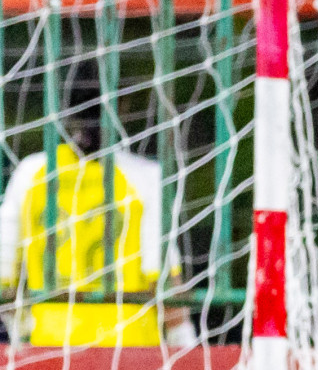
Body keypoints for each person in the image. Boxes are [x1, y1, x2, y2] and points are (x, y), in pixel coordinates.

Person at [0, 115, 193, 347]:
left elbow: (5, 270)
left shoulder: (31, 173)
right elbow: (163, 280)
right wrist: (184, 341)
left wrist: (20, 333)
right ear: (120, 108)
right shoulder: (142, 176)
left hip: (50, 344)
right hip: (130, 348)